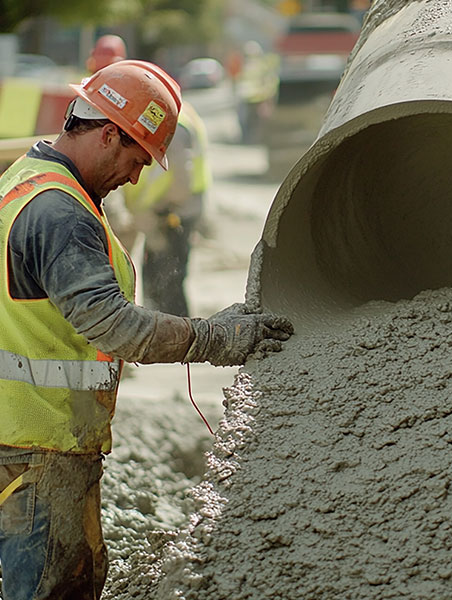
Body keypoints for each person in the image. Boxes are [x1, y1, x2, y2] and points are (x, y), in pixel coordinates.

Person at [0, 60, 292, 599]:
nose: (136, 177)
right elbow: (116, 329)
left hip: (20, 434)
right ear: (109, 133)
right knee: (56, 589)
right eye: (137, 159)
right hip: (38, 445)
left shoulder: (24, 180)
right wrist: (215, 338)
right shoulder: (60, 214)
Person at [86, 34, 212, 316]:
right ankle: (160, 331)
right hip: (157, 211)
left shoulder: (166, 119)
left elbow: (181, 178)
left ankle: (178, 340)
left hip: (174, 211)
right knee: (154, 275)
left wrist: (159, 218)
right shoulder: (133, 111)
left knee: (169, 279)